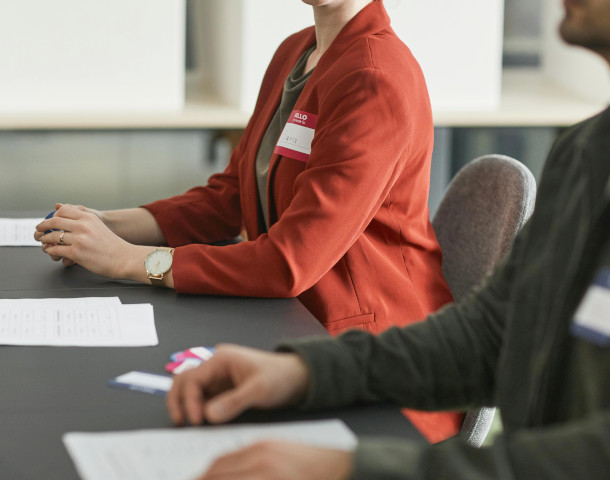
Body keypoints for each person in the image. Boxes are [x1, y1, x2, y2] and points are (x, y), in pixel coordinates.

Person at [166, 0, 610, 477]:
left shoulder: (376, 71)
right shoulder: (588, 150)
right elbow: (491, 333)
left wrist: (349, 468)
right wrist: (305, 371)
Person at [36, 0, 459, 441]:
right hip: (286, 326)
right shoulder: (296, 52)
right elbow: (230, 196)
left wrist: (128, 260)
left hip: (372, 366)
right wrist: (106, 226)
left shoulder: (375, 79)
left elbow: (288, 262)